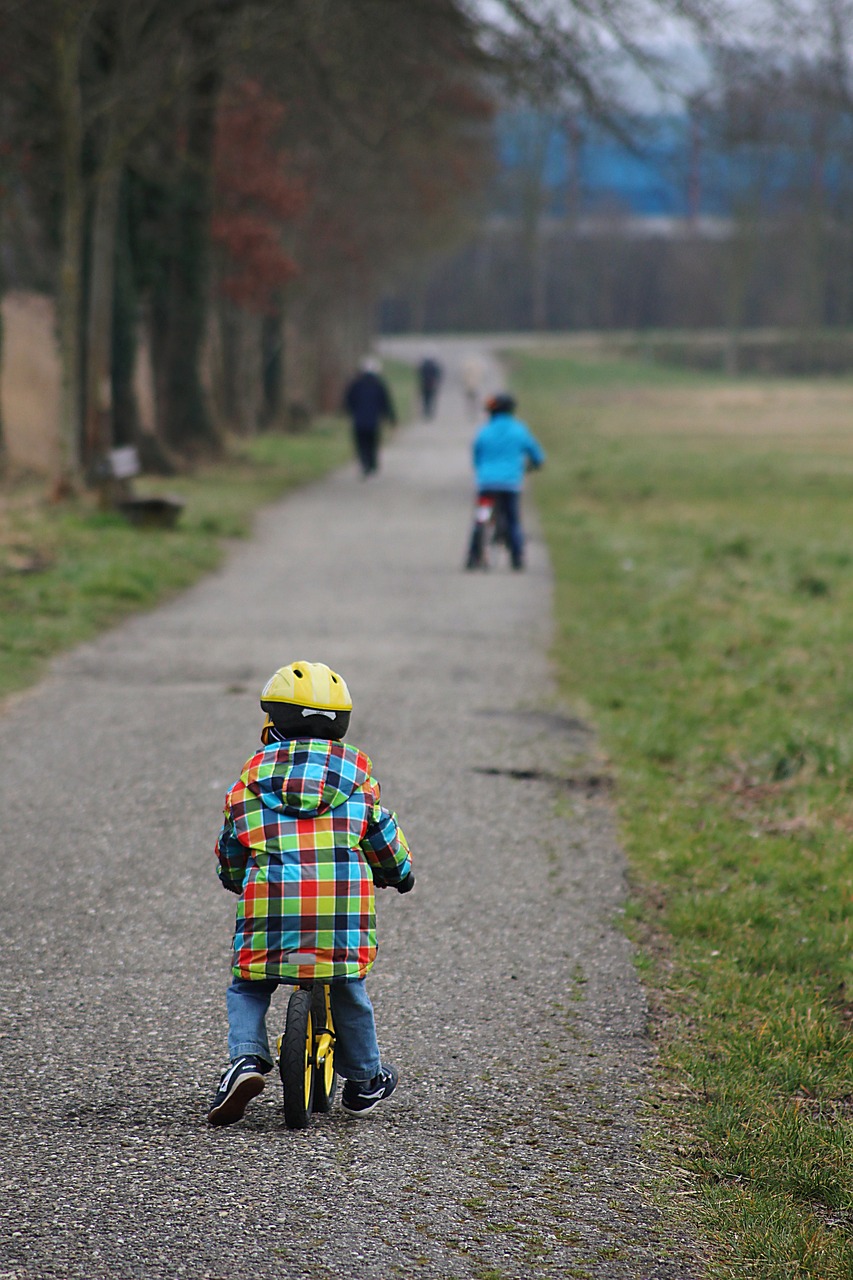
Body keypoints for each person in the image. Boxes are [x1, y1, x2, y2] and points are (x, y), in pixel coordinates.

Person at [208, 660, 414, 1126]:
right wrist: (399, 872)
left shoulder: (248, 785)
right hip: (341, 915)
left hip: (271, 909)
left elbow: (232, 845)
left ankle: (245, 1059)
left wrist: (233, 876)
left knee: (249, 985)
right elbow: (383, 840)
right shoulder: (360, 784)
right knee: (348, 986)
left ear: (273, 720)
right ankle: (365, 1078)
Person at [465, 393, 545, 572]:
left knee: (481, 518)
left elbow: (477, 455)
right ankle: (517, 558)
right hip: (510, 484)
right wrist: (535, 464)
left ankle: (472, 557)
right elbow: (537, 455)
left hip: (486, 484)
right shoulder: (519, 430)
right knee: (513, 520)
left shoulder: (484, 431)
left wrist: (481, 470)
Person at [343, 357, 397, 476]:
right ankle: (372, 463)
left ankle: (365, 463)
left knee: (361, 443)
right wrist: (391, 418)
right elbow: (386, 403)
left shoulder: (355, 384)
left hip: (359, 420)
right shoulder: (379, 385)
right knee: (373, 442)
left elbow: (348, 401)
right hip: (373, 421)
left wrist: (349, 412)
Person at [417, 354, 443, 418]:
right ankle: (429, 411)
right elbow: (438, 375)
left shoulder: (423, 366)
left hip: (425, 384)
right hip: (431, 384)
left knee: (426, 399)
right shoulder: (434, 366)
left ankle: (427, 411)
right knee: (430, 399)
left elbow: (419, 374)